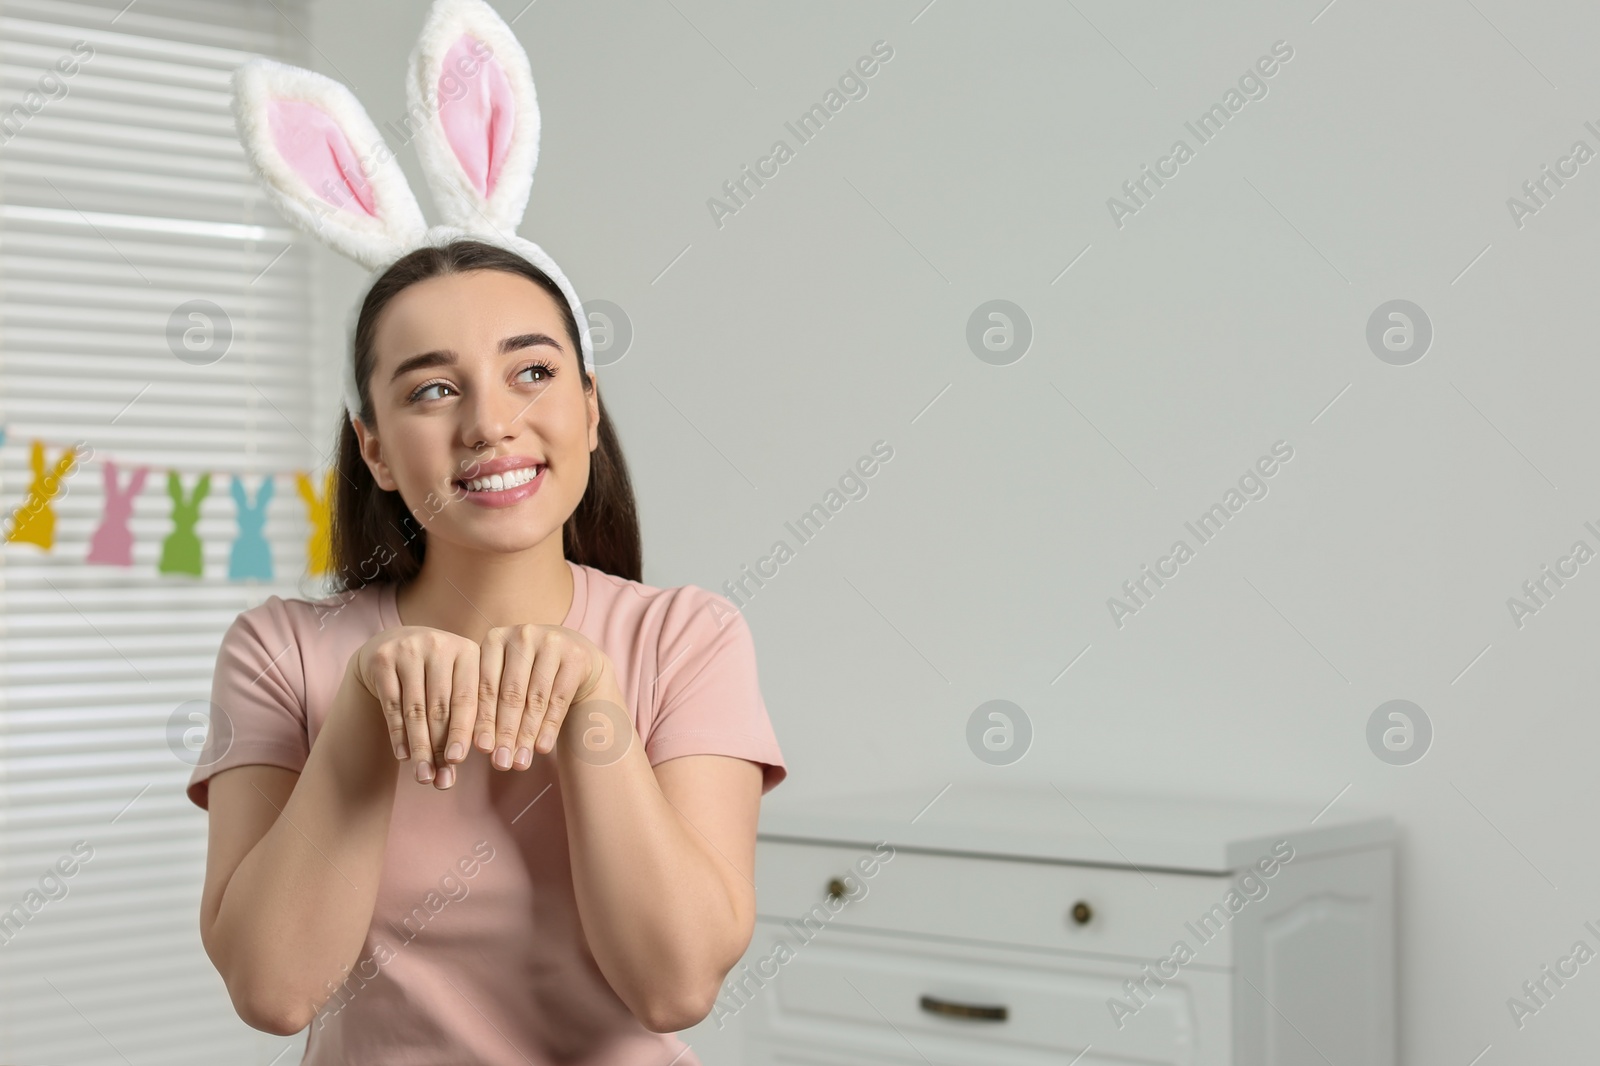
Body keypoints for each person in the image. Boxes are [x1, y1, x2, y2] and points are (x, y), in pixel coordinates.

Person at [185, 238, 787, 1064]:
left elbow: (674, 987)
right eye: (433, 390)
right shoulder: (281, 651)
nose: (490, 425)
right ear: (376, 450)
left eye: (532, 373)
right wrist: (364, 706)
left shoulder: (687, 637)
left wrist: (592, 707)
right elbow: (274, 991)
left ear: (588, 404)